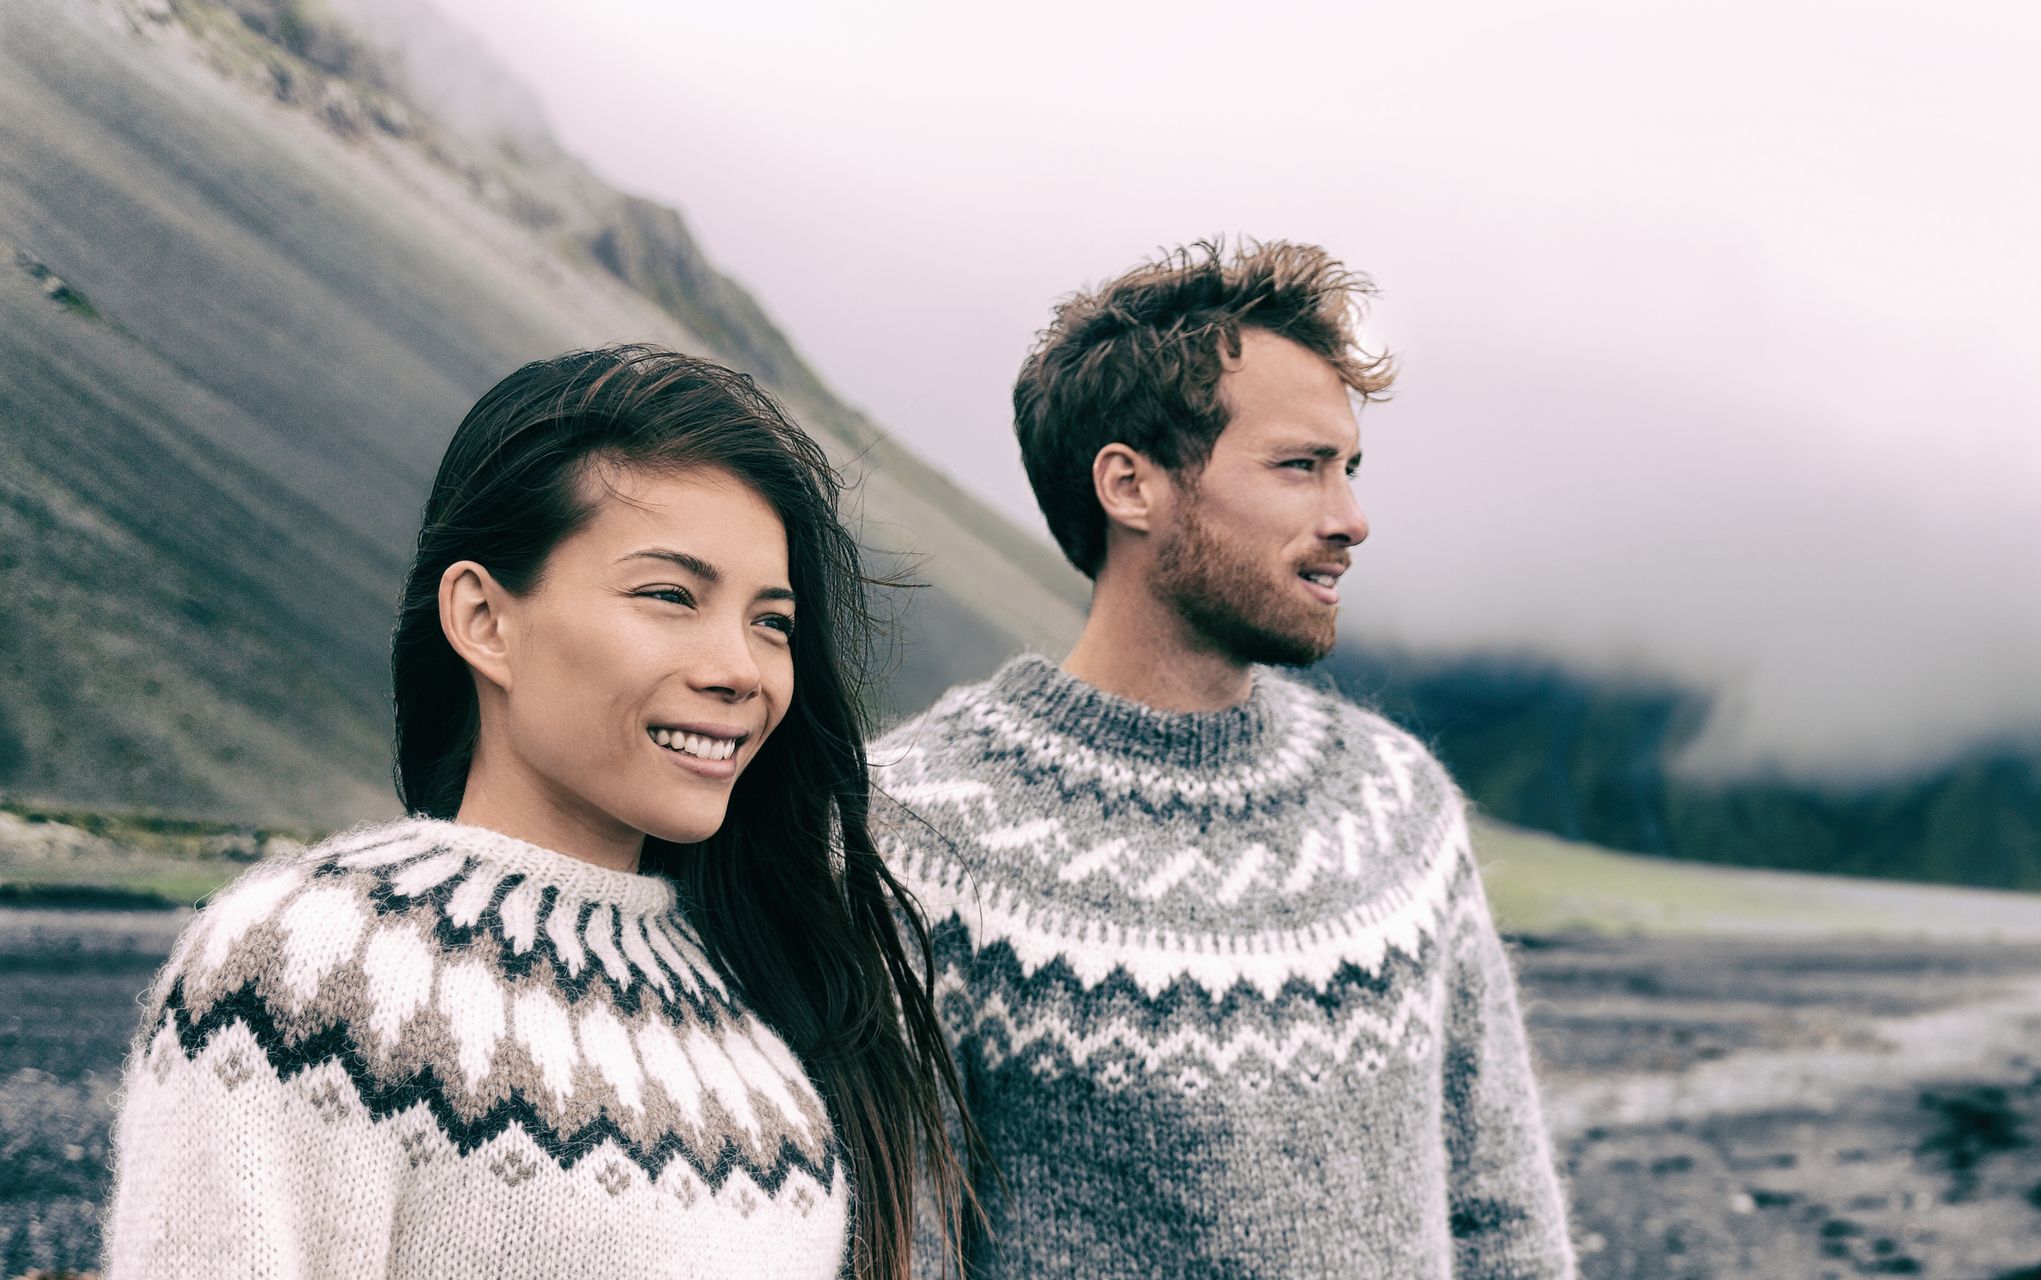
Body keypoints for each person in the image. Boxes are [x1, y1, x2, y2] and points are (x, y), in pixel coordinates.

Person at [103, 347, 967, 1278]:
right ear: (483, 619)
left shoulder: (761, 1020)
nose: (741, 671)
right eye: (670, 596)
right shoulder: (304, 977)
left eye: (772, 622)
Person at [871, 239, 1574, 1277]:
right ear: (1131, 484)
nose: (1351, 519)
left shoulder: (1399, 807)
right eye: (1301, 466)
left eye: (1350, 469)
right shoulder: (919, 832)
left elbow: (1504, 1212)